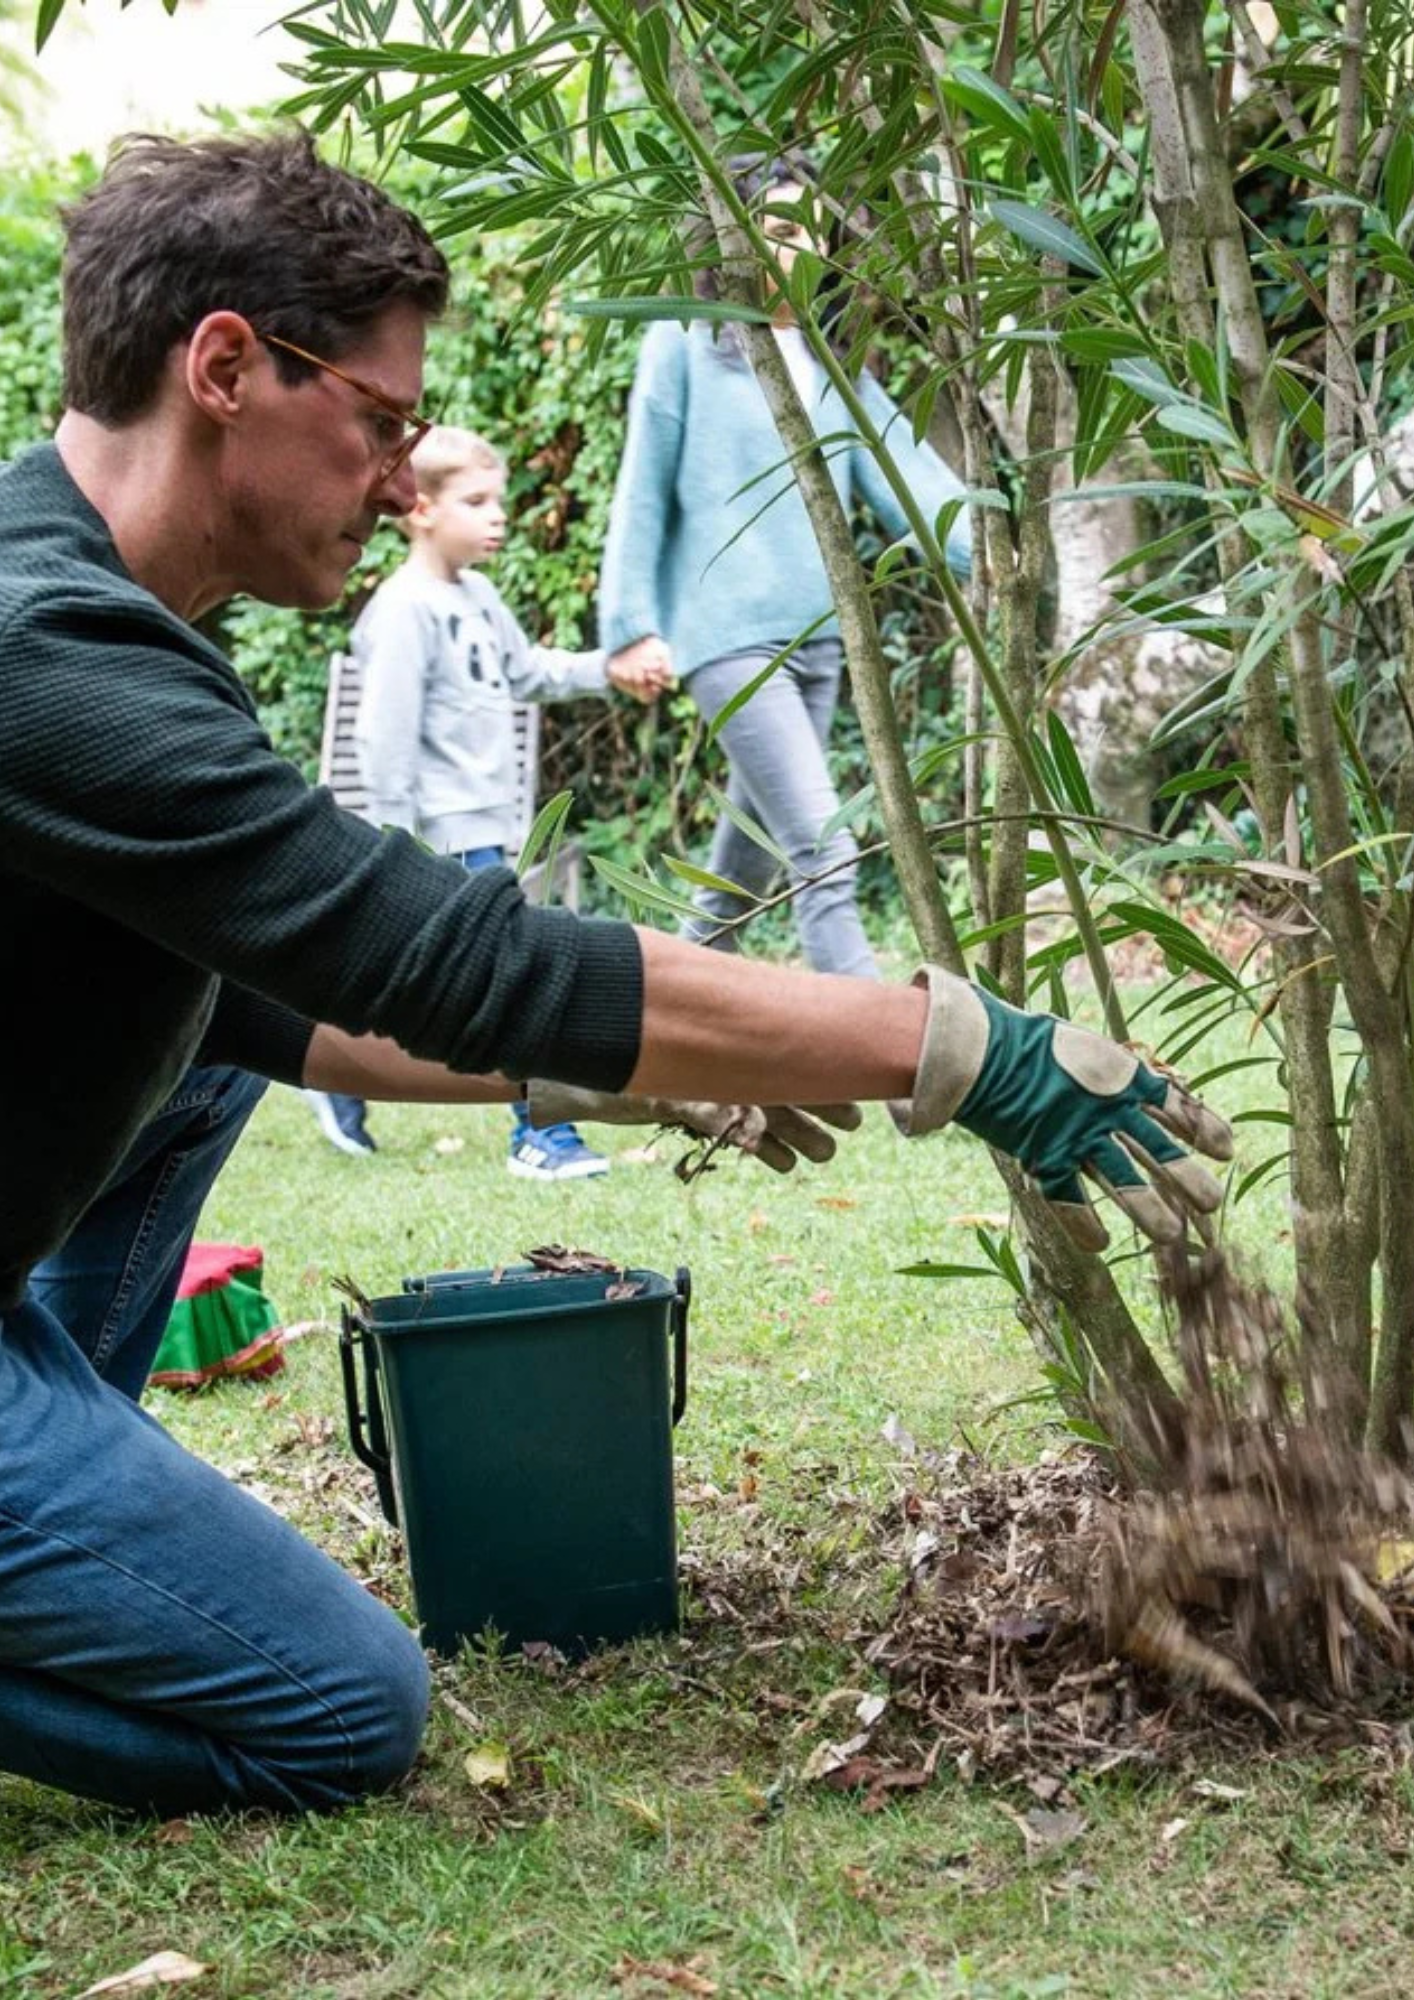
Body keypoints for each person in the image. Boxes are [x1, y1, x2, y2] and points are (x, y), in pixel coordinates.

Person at [0, 131, 1232, 1822]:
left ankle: (70, 1447)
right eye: (378, 420)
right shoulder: (43, 655)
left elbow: (292, 1011)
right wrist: (962, 1051)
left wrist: (634, 1065)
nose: (394, 472)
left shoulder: (104, 611)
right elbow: (438, 951)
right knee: (336, 1710)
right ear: (224, 366)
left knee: (198, 1027)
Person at [599, 157, 972, 980]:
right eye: (770, 229)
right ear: (726, 237)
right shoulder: (686, 343)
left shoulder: (834, 358)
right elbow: (642, 490)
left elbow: (910, 477)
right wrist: (627, 628)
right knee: (824, 846)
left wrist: (993, 549)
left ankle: (659, 1020)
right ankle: (884, 1060)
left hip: (821, 640)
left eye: (805, 230)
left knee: (748, 870)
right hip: (728, 639)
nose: (791, 248)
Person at [305, 424, 672, 1176]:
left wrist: (610, 668)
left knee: (432, 986)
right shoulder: (405, 609)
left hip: (487, 826)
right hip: (435, 837)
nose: (497, 516)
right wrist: (395, 846)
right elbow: (384, 739)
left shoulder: (478, 596)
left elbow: (529, 671)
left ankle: (327, 1069)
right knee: (505, 982)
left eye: (497, 500)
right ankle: (540, 1135)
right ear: (421, 510)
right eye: (476, 501)